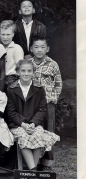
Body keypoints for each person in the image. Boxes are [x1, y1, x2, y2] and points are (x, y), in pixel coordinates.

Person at [6, 59, 60, 170]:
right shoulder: (11, 89)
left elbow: (41, 110)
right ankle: (33, 170)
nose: (26, 73)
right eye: (23, 71)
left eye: (29, 71)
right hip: (18, 125)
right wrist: (24, 124)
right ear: (18, 72)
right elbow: (11, 112)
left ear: (33, 72)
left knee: (37, 135)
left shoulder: (39, 89)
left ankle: (32, 170)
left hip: (34, 124)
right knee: (24, 136)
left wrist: (33, 124)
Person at [29, 36, 62, 171]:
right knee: (36, 130)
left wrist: (54, 97)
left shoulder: (53, 64)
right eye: (36, 47)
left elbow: (58, 83)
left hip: (48, 103)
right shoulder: (28, 63)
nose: (39, 50)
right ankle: (33, 162)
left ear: (47, 49)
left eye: (42, 47)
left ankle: (47, 163)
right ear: (31, 49)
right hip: (33, 104)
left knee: (48, 131)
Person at [0, 20, 24, 87]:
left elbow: (20, 67)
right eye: (3, 34)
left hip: (12, 80)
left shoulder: (16, 48)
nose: (5, 37)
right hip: (0, 79)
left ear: (13, 34)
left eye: (8, 34)